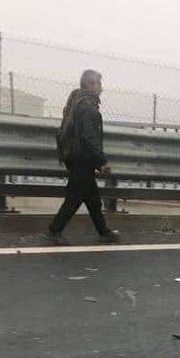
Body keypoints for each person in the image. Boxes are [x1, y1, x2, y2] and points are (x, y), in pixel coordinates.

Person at [47, 69, 118, 245]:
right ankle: (54, 230)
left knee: (92, 198)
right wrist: (101, 161)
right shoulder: (87, 106)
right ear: (90, 84)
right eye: (99, 83)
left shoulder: (77, 101)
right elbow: (89, 137)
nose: (101, 87)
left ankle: (104, 232)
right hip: (81, 158)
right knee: (75, 197)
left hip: (75, 156)